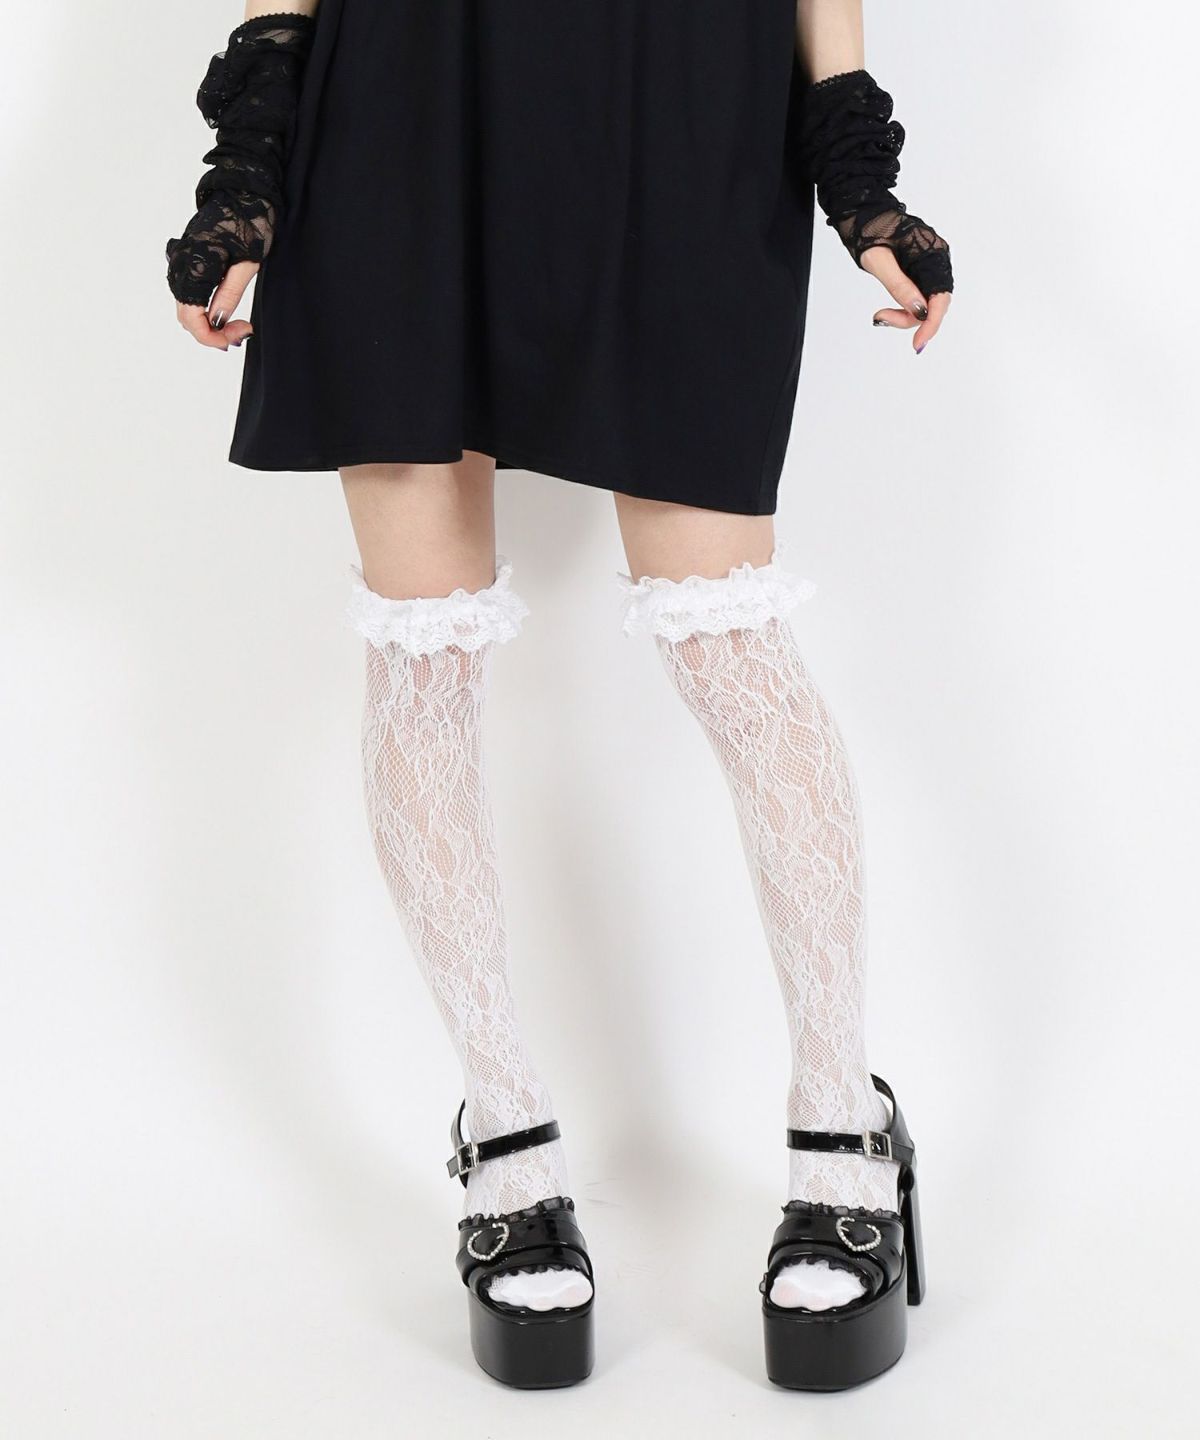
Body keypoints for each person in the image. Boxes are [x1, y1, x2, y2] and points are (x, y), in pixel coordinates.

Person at [167, 0, 952, 1392]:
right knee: (422, 648)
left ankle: (845, 1127)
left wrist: (854, 164)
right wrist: (247, 163)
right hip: (403, 101)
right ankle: (506, 1140)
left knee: (730, 644)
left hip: (679, 97)